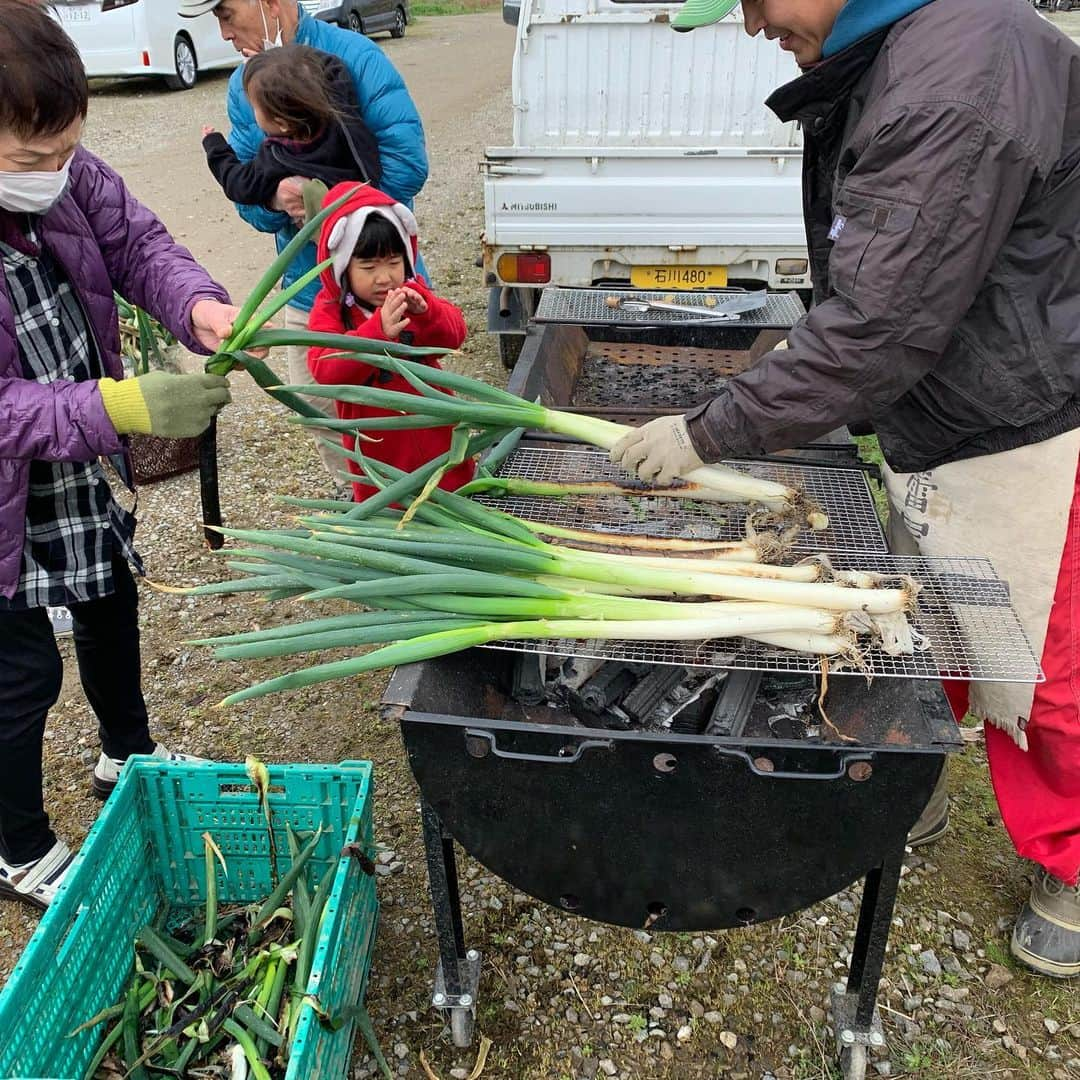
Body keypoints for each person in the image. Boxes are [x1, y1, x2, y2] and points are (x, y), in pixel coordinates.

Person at [610, 0, 1080, 979]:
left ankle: (1073, 869)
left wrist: (709, 433)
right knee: (941, 622)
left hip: (1037, 419)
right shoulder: (914, 49)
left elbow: (874, 327)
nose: (750, 24)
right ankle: (917, 784)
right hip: (960, 404)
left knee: (1047, 673)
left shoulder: (959, 75)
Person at [0, 1, 240, 910]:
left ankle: (125, 752)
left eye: (67, 149)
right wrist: (123, 403)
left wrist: (199, 308)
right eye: (30, 161)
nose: (55, 174)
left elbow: (137, 243)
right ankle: (15, 843)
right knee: (19, 674)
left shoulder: (62, 170)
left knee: (109, 596)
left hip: (69, 454)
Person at [180, 0, 428, 493]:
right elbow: (251, 198)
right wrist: (277, 196)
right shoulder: (245, 86)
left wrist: (324, 198)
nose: (224, 32)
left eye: (227, 14)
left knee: (406, 417)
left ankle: (421, 509)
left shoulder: (355, 59)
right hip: (305, 291)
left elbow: (406, 167)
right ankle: (359, 511)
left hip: (383, 286)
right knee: (325, 415)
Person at [307, 183, 474, 501]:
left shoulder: (415, 295)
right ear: (343, 267)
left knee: (454, 497)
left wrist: (427, 313)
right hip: (380, 454)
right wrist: (376, 332)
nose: (383, 277)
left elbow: (454, 337)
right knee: (395, 515)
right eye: (368, 267)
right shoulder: (331, 310)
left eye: (394, 263)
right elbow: (325, 369)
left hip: (438, 434)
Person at [201, 44, 381, 209]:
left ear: (282, 124)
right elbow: (333, 69)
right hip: (366, 211)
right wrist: (274, 63)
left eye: (254, 107)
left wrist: (215, 147)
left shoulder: (279, 156)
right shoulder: (342, 122)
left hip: (330, 237)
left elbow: (239, 184)